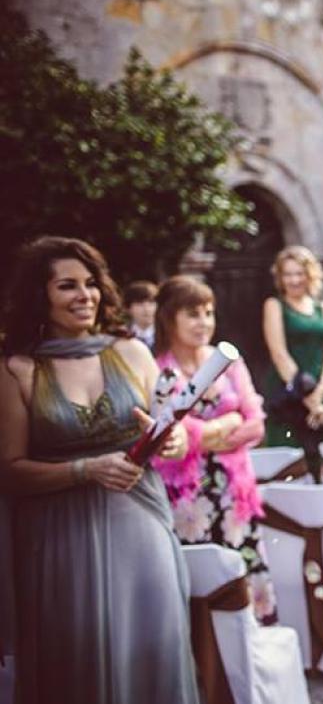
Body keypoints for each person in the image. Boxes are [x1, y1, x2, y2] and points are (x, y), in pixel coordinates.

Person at [0, 236, 199, 703]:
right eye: (67, 286)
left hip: (142, 533)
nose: (84, 295)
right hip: (57, 542)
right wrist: (84, 470)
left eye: (90, 284)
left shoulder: (132, 354)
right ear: (39, 297)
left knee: (151, 655)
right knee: (73, 660)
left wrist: (171, 440)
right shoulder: (18, 370)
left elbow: (180, 435)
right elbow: (8, 471)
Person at [151, 276, 276, 622]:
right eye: (193, 314)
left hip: (233, 492)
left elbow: (256, 423)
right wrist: (222, 424)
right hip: (185, 496)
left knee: (240, 581)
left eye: (208, 313)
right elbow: (168, 426)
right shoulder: (158, 369)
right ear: (168, 317)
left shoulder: (228, 362)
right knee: (197, 588)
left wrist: (202, 434)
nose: (204, 322)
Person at [261, 246, 323, 477]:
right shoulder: (275, 306)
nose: (294, 280)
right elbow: (279, 353)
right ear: (280, 277)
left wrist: (321, 393)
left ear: (310, 274)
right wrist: (307, 396)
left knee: (322, 464)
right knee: (289, 466)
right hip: (289, 394)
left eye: (299, 273)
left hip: (320, 396)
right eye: (288, 274)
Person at [123, 280, 158, 351]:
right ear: (128, 308)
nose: (147, 309)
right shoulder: (122, 337)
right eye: (140, 304)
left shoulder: (169, 334)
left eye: (151, 303)